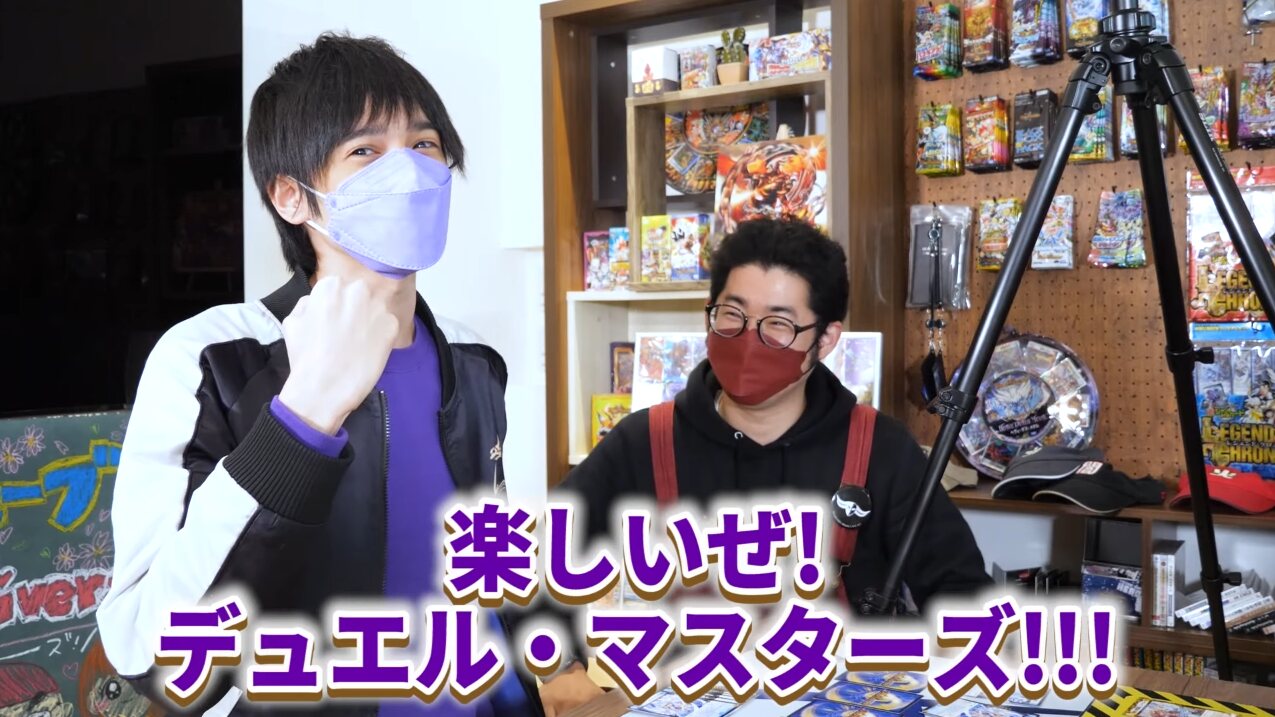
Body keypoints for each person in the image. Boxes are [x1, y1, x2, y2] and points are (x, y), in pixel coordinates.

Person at [96, 33, 540, 716]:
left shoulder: (473, 359)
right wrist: (302, 417)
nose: (408, 170)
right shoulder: (212, 359)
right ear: (291, 196)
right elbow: (149, 654)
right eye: (364, 151)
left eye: (424, 144)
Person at [538, 218, 991, 712]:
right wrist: (562, 672)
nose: (748, 338)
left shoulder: (880, 448)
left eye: (778, 324)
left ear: (825, 339)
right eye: (731, 314)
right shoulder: (646, 440)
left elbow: (964, 596)